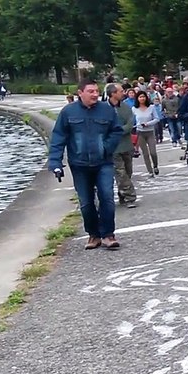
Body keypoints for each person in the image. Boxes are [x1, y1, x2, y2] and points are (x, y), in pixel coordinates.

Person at [47, 80, 125, 250]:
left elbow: (117, 130)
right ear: (80, 93)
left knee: (107, 197)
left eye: (96, 91)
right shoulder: (68, 112)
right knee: (86, 202)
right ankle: (93, 234)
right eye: (90, 91)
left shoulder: (106, 110)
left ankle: (108, 234)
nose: (95, 94)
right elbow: (58, 137)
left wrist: (106, 147)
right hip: (79, 164)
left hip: (103, 162)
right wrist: (55, 162)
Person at [109, 84, 139, 208]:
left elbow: (130, 123)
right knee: (120, 172)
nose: (123, 93)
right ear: (113, 93)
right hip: (113, 147)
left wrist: (119, 131)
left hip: (126, 144)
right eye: (121, 91)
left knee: (128, 171)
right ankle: (130, 197)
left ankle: (122, 193)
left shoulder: (126, 107)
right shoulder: (104, 108)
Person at [132, 91, 160, 176]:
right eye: (140, 97)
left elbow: (157, 119)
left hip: (150, 132)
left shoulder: (151, 107)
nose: (142, 98)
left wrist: (148, 123)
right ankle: (150, 171)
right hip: (140, 132)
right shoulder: (134, 109)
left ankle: (155, 166)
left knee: (153, 152)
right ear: (137, 99)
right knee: (145, 153)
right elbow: (132, 121)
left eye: (143, 97)